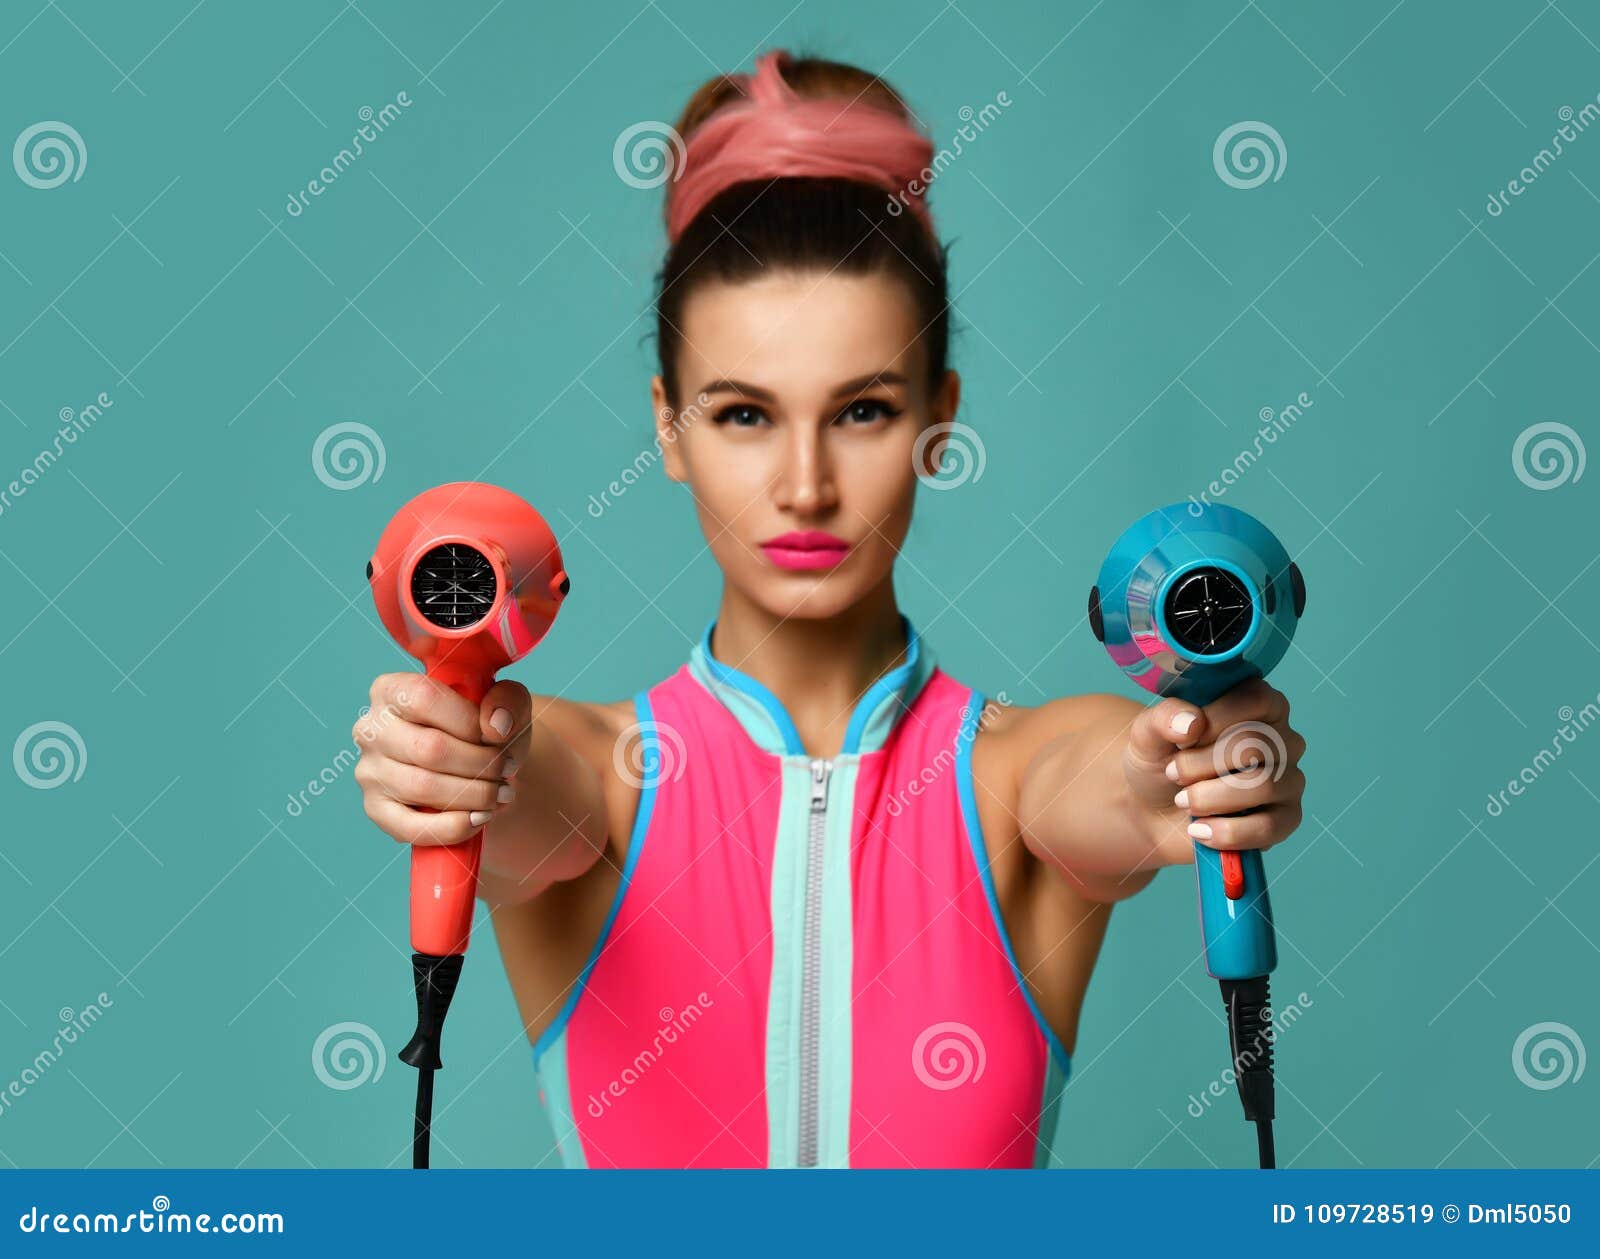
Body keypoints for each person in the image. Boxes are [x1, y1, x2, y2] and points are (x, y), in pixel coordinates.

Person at [351, 48, 1307, 1169]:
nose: (804, 485)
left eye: (861, 409)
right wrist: (463, 766)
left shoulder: (1014, 777)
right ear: (669, 427)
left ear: (937, 419)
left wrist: (1180, 772)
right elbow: (521, 787)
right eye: (744, 414)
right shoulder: (593, 776)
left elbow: (1108, 773)